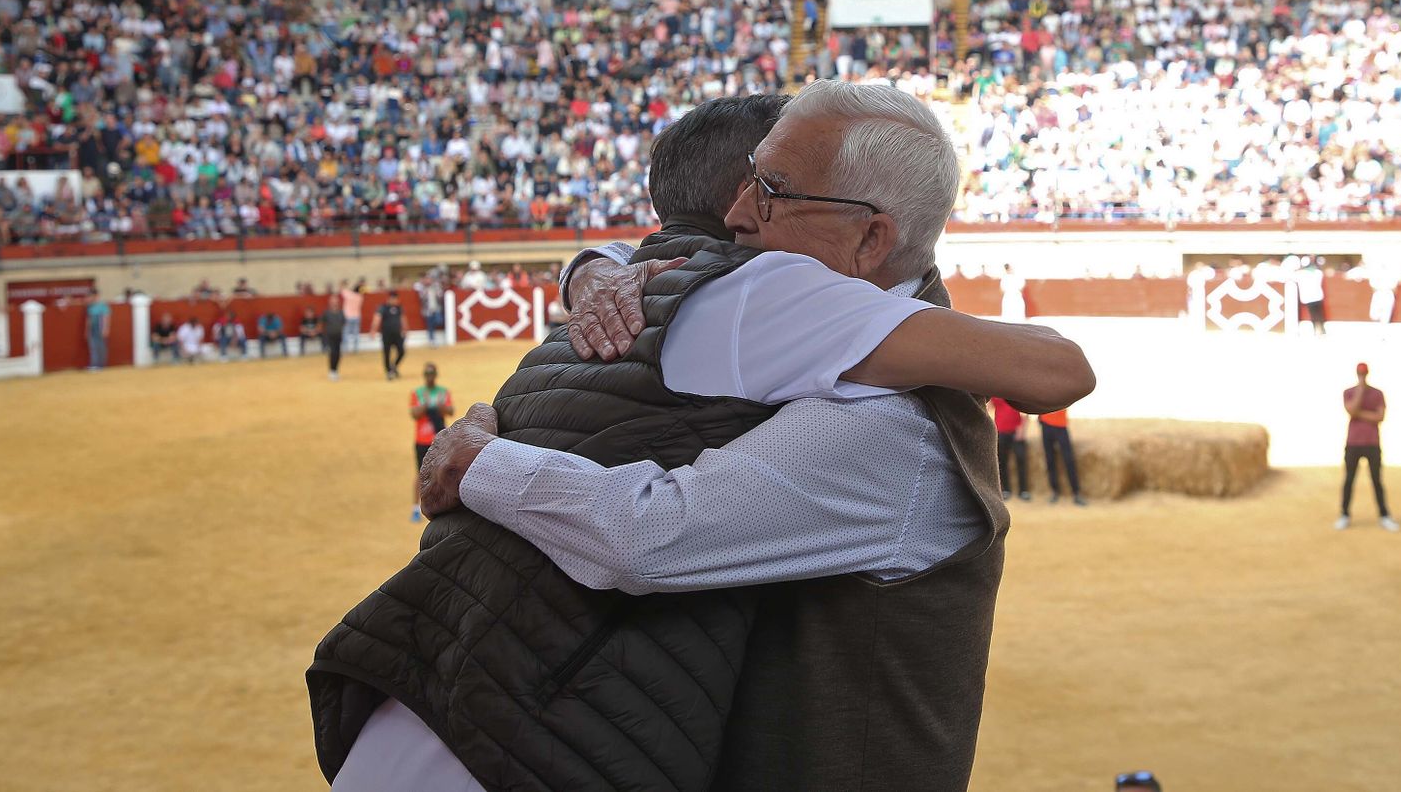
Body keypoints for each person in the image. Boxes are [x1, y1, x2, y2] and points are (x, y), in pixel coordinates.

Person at [310, 88, 1096, 792]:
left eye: (772, 190)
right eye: (746, 180)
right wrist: (592, 271)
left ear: (869, 241)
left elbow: (648, 535)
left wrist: (480, 455)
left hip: (441, 707)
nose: (737, 212)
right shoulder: (751, 291)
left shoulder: (887, 416)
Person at [1336, 362, 1397, 531]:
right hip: (1353, 443)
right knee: (1349, 480)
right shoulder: (1349, 392)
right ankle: (1344, 514)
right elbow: (1352, 410)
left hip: (1372, 443)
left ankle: (1384, 515)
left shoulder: (1378, 394)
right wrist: (1360, 392)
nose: (1362, 376)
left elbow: (1380, 417)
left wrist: (1358, 414)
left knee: (1377, 480)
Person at [408, 363, 454, 522]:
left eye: (431, 374)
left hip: (438, 439)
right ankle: (415, 508)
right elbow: (414, 413)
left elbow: (450, 410)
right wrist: (428, 405)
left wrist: (436, 406)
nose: (429, 377)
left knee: (442, 472)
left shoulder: (442, 392)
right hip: (423, 439)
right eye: (427, 374)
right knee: (421, 474)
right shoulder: (418, 393)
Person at [1040, 406, 1086, 505]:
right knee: (1050, 460)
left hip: (1061, 425)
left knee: (1069, 460)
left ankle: (1076, 493)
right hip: (1046, 424)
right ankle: (1055, 492)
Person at [993, 397, 1030, 500]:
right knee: (1002, 462)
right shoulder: (995, 394)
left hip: (1016, 431)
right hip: (1001, 431)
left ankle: (1023, 490)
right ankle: (1006, 490)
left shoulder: (1014, 391)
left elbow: (1026, 412)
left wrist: (1022, 430)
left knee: (1021, 460)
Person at [371, 289, 407, 379]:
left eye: (396, 299)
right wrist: (373, 330)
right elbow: (377, 318)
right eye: (393, 299)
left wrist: (405, 329)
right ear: (389, 299)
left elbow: (403, 318)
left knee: (401, 351)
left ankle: (393, 367)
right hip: (386, 334)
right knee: (386, 353)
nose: (395, 301)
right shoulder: (383, 307)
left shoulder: (399, 308)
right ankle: (389, 371)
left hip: (397, 334)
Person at [1297, 256, 1327, 335]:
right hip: (1317, 296)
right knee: (1319, 314)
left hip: (1308, 297)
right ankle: (1322, 330)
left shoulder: (1300, 273)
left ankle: (1316, 330)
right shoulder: (1318, 272)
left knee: (1313, 314)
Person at [320, 294, 346, 381]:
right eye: (333, 300)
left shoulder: (341, 312)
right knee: (333, 353)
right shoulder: (326, 313)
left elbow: (343, 322)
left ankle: (336, 370)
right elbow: (321, 323)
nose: (334, 302)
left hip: (339, 336)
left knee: (338, 354)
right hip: (329, 336)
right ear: (330, 302)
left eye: (336, 300)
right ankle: (332, 371)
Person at [85, 288, 110, 371]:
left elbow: (106, 318)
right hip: (92, 329)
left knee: (101, 347)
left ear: (96, 296)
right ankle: (94, 364)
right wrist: (87, 330)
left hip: (100, 328)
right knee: (93, 347)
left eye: (90, 296)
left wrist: (105, 329)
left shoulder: (103, 305)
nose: (89, 298)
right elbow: (89, 320)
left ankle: (101, 365)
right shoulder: (90, 306)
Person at [417, 271, 445, 345]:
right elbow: (421, 298)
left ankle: (432, 338)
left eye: (429, 279)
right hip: (428, 310)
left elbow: (440, 295)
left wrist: (437, 292)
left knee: (439, 321)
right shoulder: (423, 288)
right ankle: (432, 340)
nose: (428, 280)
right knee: (430, 326)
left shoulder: (436, 286)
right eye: (426, 279)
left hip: (436, 308)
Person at [339, 280, 364, 352]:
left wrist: (345, 284)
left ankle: (345, 348)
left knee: (345, 333)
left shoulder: (349, 294)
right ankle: (356, 349)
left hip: (348, 316)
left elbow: (342, 289)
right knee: (356, 333)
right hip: (357, 316)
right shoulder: (360, 297)